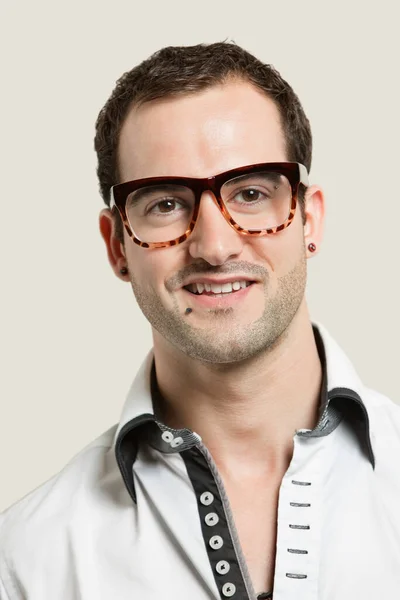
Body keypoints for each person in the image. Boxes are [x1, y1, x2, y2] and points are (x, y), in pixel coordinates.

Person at [1, 42, 399, 600]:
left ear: (309, 219)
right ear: (117, 245)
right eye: (165, 203)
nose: (214, 245)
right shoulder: (29, 560)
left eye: (252, 193)